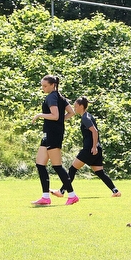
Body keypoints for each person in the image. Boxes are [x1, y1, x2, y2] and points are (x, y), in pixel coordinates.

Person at [55, 97, 120, 198]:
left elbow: (95, 131)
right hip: (96, 148)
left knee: (72, 170)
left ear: (81, 106)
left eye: (76, 106)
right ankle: (115, 191)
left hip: (89, 149)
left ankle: (62, 191)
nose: (74, 108)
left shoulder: (85, 118)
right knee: (100, 172)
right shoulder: (88, 116)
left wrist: (93, 147)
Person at [31, 75, 78, 206]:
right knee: (40, 164)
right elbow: (71, 112)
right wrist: (60, 121)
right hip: (48, 133)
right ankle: (45, 197)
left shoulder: (52, 96)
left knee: (57, 166)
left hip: (53, 134)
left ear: (53, 85)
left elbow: (55, 115)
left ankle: (72, 195)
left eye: (45, 86)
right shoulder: (60, 97)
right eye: (42, 85)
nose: (43, 88)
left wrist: (40, 115)